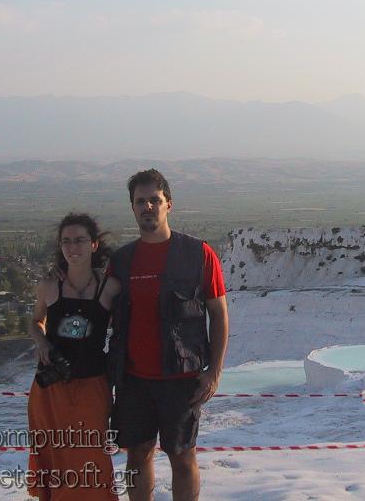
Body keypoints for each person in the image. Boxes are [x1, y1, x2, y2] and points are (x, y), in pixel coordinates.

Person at [108, 169, 229, 501]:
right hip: (133, 380)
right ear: (132, 207)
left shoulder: (198, 254)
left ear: (168, 204)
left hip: (181, 378)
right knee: (137, 456)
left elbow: (219, 314)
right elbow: (99, 307)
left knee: (182, 457)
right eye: (140, 201)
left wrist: (214, 372)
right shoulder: (122, 261)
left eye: (154, 200)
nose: (148, 207)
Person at [28, 213, 121, 501]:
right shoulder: (49, 285)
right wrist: (42, 342)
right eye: (66, 241)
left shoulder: (111, 288)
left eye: (79, 240)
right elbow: (35, 321)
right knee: (54, 457)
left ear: (94, 244)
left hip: (92, 386)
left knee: (92, 458)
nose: (73, 247)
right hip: (51, 388)